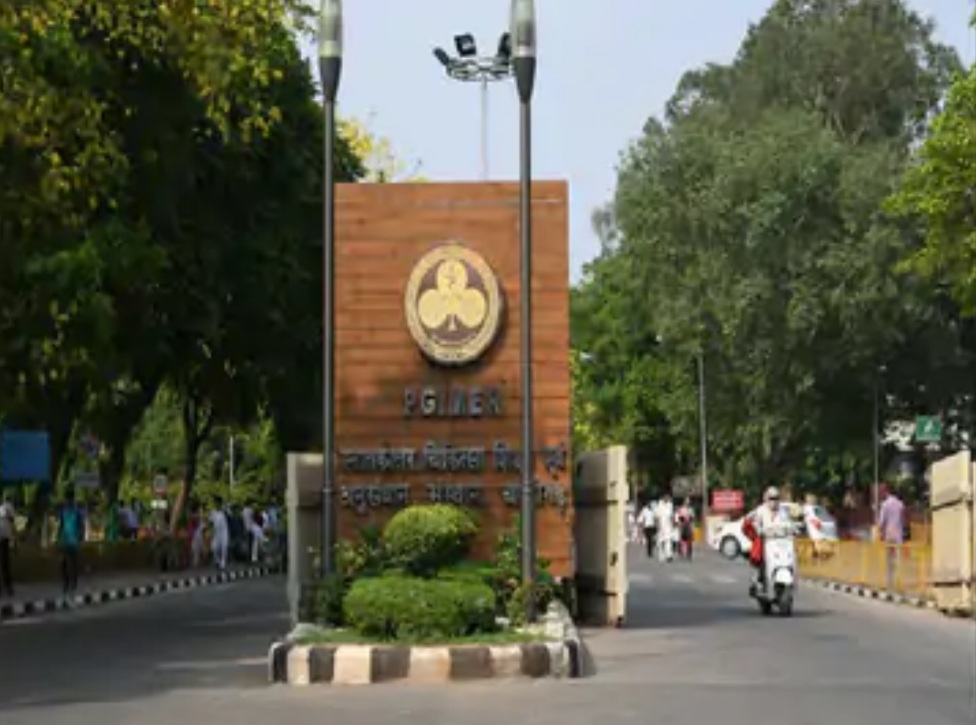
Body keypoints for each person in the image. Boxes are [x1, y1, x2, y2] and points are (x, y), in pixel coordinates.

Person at [745, 486, 792, 591]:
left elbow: (788, 524)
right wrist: (759, 529)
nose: (774, 501)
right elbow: (755, 522)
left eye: (776, 498)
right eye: (771, 498)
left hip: (781, 541)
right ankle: (758, 579)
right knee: (760, 556)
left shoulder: (783, 511)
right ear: (766, 499)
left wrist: (792, 529)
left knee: (788, 556)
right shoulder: (761, 510)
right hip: (766, 540)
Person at [57, 488, 86, 603]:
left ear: (72, 499)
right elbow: (61, 525)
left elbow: (81, 525)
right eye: (67, 499)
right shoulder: (63, 512)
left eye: (69, 499)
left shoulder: (77, 511)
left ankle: (73, 583)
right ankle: (66, 583)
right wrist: (58, 537)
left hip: (73, 541)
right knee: (63, 564)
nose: (68, 501)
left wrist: (81, 536)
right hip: (64, 540)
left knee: (73, 564)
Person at [877, 483, 905, 592]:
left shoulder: (885, 505)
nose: (880, 494)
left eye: (881, 491)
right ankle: (899, 584)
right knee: (898, 560)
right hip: (898, 535)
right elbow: (903, 520)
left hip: (889, 535)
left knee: (889, 560)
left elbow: (881, 522)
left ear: (886, 491)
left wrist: (880, 533)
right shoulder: (900, 504)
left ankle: (890, 584)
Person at [0, 492, 16, 596]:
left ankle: (8, 586)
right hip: (3, 536)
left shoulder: (7, 506)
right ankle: (6, 586)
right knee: (4, 563)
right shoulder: (4, 507)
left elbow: (12, 519)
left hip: (4, 537)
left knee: (5, 562)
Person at [209, 497, 230, 571]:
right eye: (216, 503)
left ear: (221, 503)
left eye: (219, 503)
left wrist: (225, 508)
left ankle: (223, 562)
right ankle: (217, 561)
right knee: (214, 548)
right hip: (216, 532)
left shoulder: (224, 511)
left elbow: (228, 516)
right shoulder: (212, 512)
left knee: (224, 546)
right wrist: (210, 531)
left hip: (224, 531)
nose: (217, 504)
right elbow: (210, 522)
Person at [655, 494, 675, 563]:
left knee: (668, 540)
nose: (668, 498)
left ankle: (669, 555)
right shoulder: (659, 505)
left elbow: (671, 516)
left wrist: (672, 524)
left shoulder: (670, 505)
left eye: (668, 497)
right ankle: (661, 555)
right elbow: (657, 517)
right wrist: (658, 526)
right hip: (661, 525)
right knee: (661, 542)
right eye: (666, 497)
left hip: (668, 525)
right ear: (663, 497)